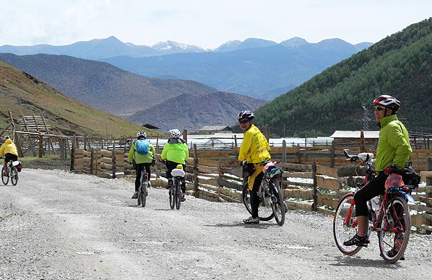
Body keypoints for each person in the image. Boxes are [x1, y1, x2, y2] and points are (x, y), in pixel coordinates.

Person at [344, 95, 412, 254]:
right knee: (395, 211)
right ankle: (397, 249)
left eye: (379, 109)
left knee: (360, 196)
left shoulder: (390, 127)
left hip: (389, 174)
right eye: (375, 109)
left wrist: (395, 166)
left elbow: (404, 148)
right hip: (401, 173)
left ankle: (361, 236)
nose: (376, 112)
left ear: (389, 111)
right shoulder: (397, 125)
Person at [237, 110, 271, 224]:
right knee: (268, 181)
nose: (243, 124)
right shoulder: (257, 130)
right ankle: (280, 203)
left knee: (252, 189)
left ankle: (255, 216)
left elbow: (244, 149)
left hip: (257, 163)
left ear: (250, 121)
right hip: (266, 159)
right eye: (241, 122)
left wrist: (240, 160)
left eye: (245, 121)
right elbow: (266, 144)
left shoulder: (249, 133)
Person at [161, 129, 189, 201]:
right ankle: (183, 194)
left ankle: (170, 180)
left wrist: (163, 158)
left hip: (171, 162)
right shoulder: (183, 143)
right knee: (182, 177)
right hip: (181, 162)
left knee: (169, 171)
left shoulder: (168, 143)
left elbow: (164, 154)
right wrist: (184, 159)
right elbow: (186, 154)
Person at [128, 132, 156, 199]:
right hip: (148, 160)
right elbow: (153, 151)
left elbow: (131, 153)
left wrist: (129, 160)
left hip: (139, 161)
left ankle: (136, 192)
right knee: (148, 169)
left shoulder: (135, 143)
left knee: (138, 176)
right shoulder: (148, 143)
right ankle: (148, 181)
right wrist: (153, 158)